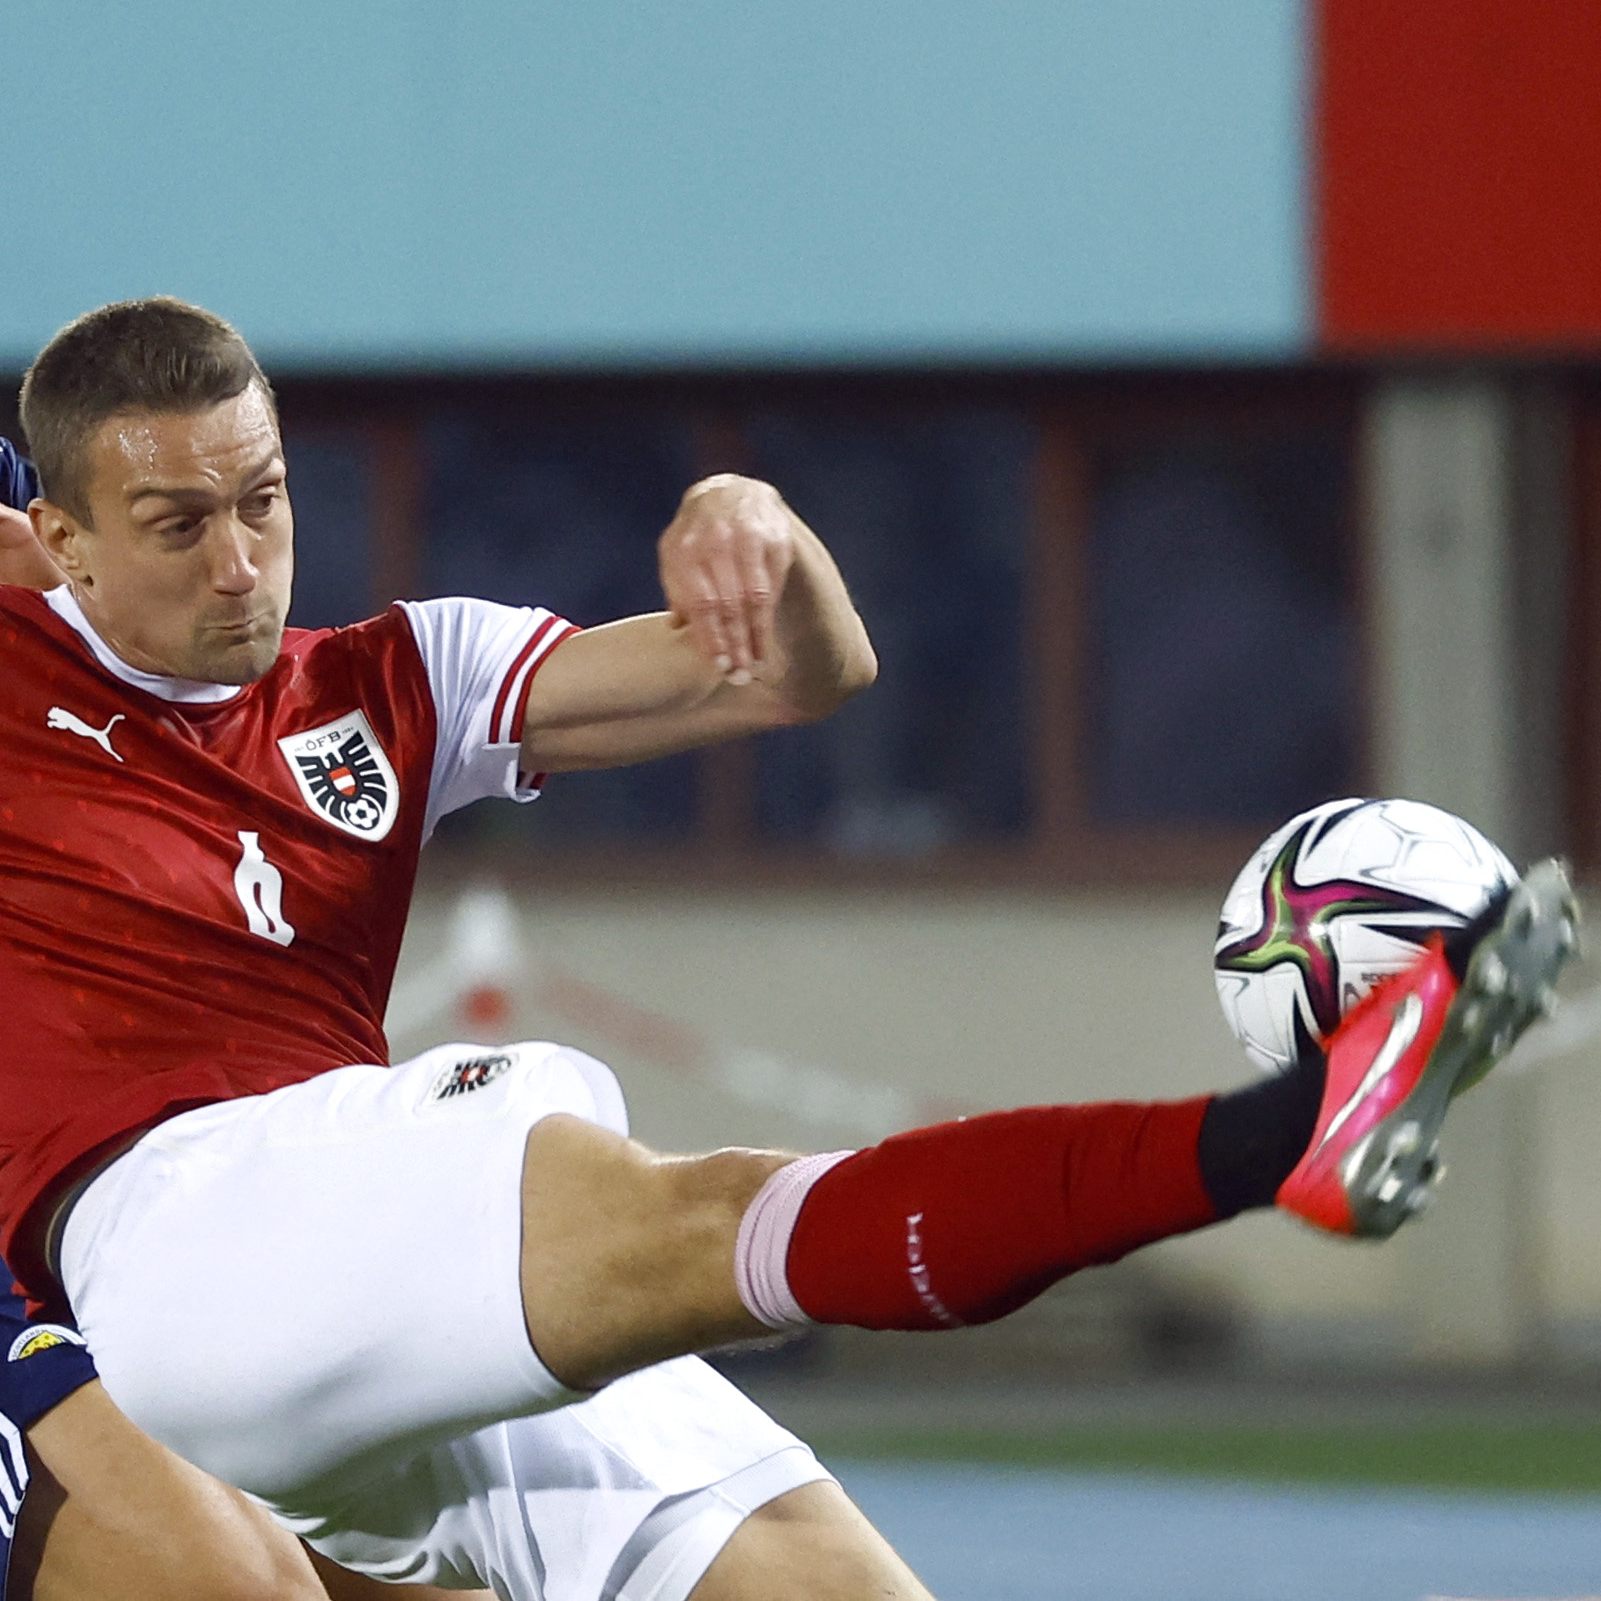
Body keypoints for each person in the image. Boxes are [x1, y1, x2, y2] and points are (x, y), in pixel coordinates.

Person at [0, 298, 1575, 1601]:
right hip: (159, 1241)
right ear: (59, 537)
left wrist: (765, 533)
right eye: (177, 522)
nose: (239, 559)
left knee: (829, 1585)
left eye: (264, 498)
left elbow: (793, 678)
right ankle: (1275, 1139)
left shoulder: (400, 675)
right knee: (686, 1212)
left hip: (363, 1283)